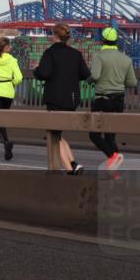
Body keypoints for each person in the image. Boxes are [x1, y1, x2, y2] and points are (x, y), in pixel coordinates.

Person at [33, 23, 90, 175]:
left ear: (55, 36)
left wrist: (36, 70)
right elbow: (85, 74)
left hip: (55, 98)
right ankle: (73, 162)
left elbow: (44, 73)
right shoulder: (75, 54)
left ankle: (69, 169)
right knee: (58, 134)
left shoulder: (50, 53)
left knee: (52, 135)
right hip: (71, 99)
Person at [87, 27, 138, 170]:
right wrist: (118, 81)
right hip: (118, 101)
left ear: (103, 40)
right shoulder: (126, 59)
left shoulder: (99, 56)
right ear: (116, 41)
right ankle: (115, 164)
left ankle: (112, 156)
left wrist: (88, 80)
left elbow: (95, 76)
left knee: (94, 134)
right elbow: (133, 82)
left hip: (102, 99)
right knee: (110, 135)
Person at [0, 38, 22, 161]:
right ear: (7, 47)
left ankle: (6, 142)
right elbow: (19, 78)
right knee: (1, 120)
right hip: (7, 92)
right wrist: (11, 83)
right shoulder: (12, 60)